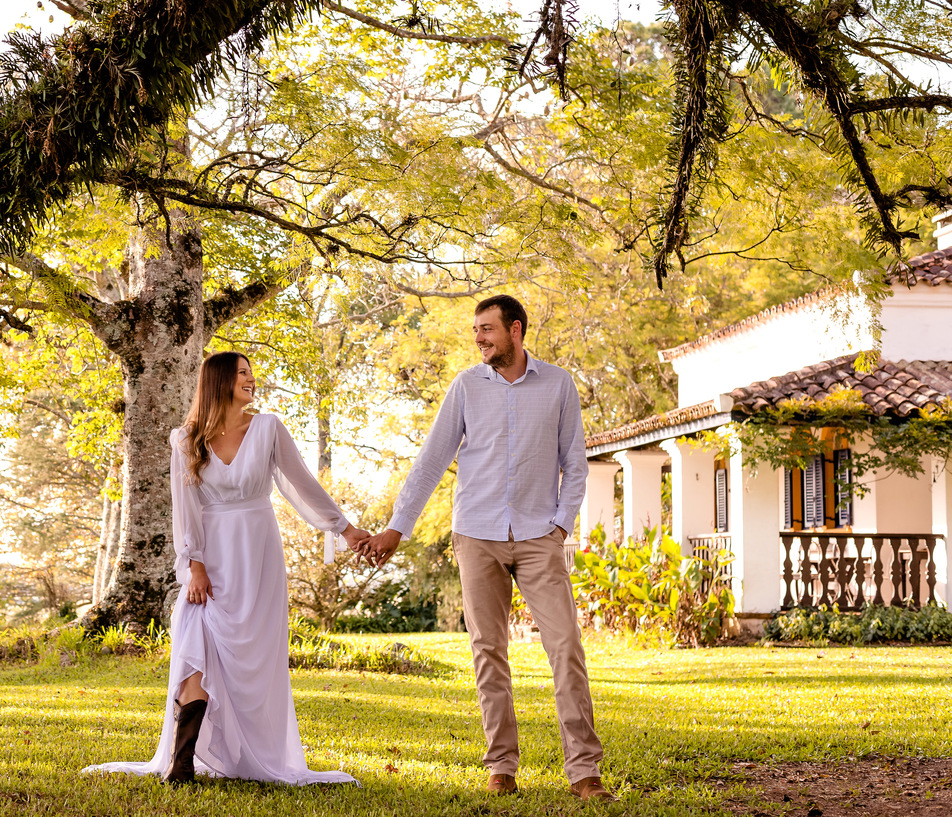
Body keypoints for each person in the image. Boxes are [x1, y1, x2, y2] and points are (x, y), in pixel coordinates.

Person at [362, 294, 614, 801]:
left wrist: (560, 526)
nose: (479, 339)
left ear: (515, 330)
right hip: (476, 534)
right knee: (488, 651)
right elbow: (431, 462)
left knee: (565, 647)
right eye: (476, 330)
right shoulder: (465, 388)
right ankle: (501, 765)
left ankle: (584, 772)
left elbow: (576, 463)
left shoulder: (559, 385)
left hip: (538, 535)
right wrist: (396, 527)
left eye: (487, 329)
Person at [83, 351, 368, 785]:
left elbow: (302, 483)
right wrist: (194, 565)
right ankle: (181, 762)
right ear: (219, 381)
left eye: (252, 372)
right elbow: (186, 510)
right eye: (242, 373)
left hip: (258, 554)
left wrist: (343, 528)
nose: (251, 379)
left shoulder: (269, 428)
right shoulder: (186, 438)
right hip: (210, 557)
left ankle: (250, 753)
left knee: (253, 657)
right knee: (194, 633)